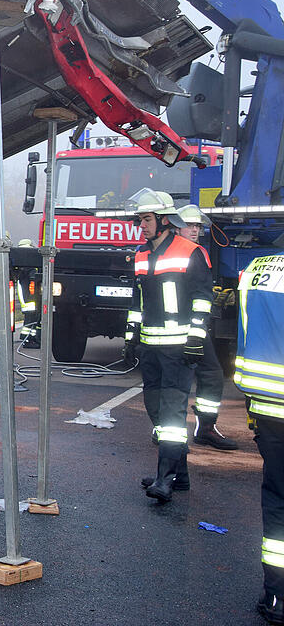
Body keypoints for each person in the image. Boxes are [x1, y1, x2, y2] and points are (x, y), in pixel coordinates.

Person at [123, 190, 213, 502]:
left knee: (173, 414)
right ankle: (181, 475)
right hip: (151, 347)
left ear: (164, 221)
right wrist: (131, 333)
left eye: (146, 219)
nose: (141, 225)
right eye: (139, 220)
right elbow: (138, 299)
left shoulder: (191, 252)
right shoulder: (141, 254)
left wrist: (196, 339)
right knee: (156, 409)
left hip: (179, 348)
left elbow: (203, 298)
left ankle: (165, 478)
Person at [232, 253, 284, 624]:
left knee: (278, 498)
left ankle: (277, 596)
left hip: (267, 403)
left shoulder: (257, 268)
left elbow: (245, 331)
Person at [175, 203, 238, 450]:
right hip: (188, 328)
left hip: (179, 328)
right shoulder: (193, 252)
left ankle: (200, 428)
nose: (195, 230)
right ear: (177, 226)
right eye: (190, 225)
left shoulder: (169, 250)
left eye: (198, 226)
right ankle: (204, 428)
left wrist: (212, 294)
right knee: (207, 375)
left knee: (199, 377)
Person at [15, 238, 41, 349]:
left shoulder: (18, 260)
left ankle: (26, 337)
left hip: (24, 295)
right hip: (31, 296)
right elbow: (33, 278)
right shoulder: (30, 260)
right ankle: (29, 340)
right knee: (32, 319)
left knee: (29, 318)